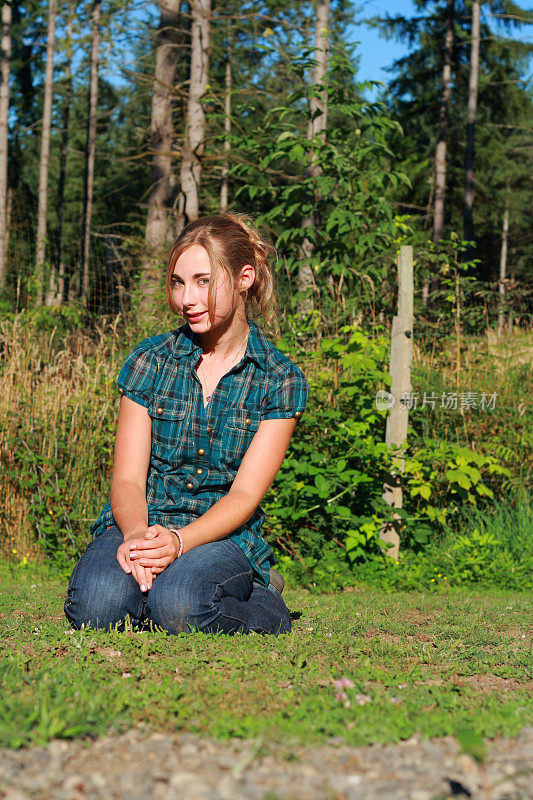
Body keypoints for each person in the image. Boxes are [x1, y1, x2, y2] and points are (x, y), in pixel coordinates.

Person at [64, 213, 309, 636]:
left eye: (202, 281)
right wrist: (139, 538)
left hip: (221, 534)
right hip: (143, 518)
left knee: (180, 605)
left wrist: (179, 542)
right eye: (178, 283)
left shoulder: (280, 379)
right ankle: (154, 595)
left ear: (243, 278)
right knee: (95, 608)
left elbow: (246, 495)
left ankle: (264, 599)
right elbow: (126, 478)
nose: (187, 299)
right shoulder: (150, 361)